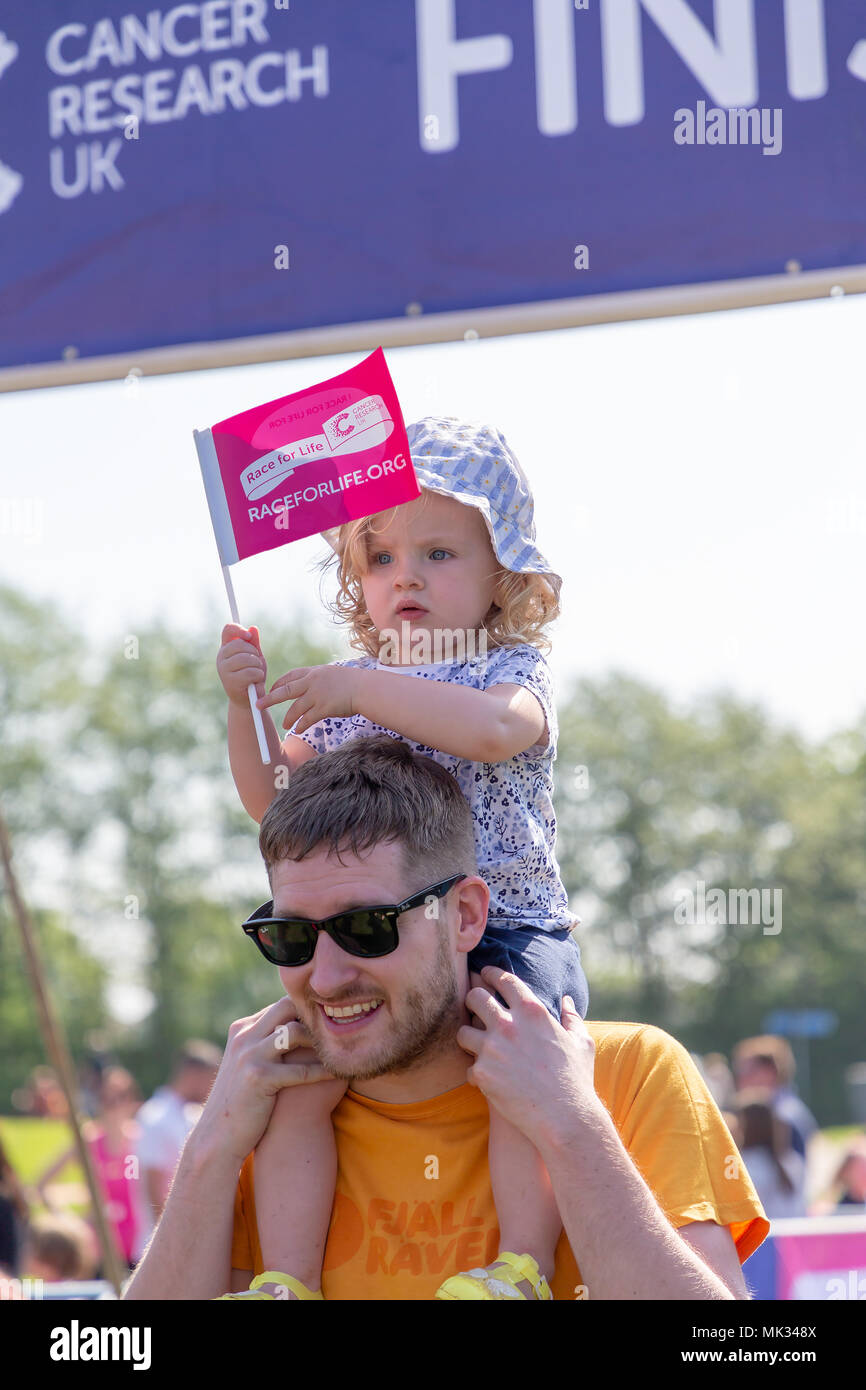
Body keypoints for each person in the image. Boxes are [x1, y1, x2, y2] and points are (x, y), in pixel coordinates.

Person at [124, 736, 768, 1301]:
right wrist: (210, 1147)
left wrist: (572, 1126)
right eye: (291, 936)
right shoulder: (262, 1114)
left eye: (366, 928)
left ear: (464, 916)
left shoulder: (624, 1074)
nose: (324, 977)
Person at [217, 417, 590, 1298]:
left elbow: (494, 733)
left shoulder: (507, 671)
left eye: (438, 553)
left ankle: (522, 1266)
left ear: (503, 576)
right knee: (297, 1082)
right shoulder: (348, 692)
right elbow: (276, 797)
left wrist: (360, 686)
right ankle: (285, 1279)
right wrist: (244, 708)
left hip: (509, 928)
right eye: (379, 558)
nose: (405, 576)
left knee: (521, 1063)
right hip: (374, 937)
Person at [36, 1066, 144, 1269]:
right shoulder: (89, 1141)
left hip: (138, 1249)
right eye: (107, 1098)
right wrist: (71, 1223)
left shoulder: (141, 1141)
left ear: (132, 1100)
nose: (114, 1105)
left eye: (121, 1097)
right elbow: (42, 1184)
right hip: (99, 1251)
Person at [134, 1041, 221, 1249]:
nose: (213, 1087)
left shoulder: (189, 1114)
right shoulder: (155, 1118)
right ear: (192, 1074)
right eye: (211, 1078)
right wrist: (172, 1242)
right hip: (162, 1246)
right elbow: (153, 1187)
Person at [731, 1036, 818, 1159]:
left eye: (745, 1070)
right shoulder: (787, 1109)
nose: (739, 1078)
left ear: (769, 1072)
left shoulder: (784, 1116)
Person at [730, 1088, 806, 1219]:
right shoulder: (793, 1160)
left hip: (767, 1230)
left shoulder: (744, 1165)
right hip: (793, 1229)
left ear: (744, 1127)